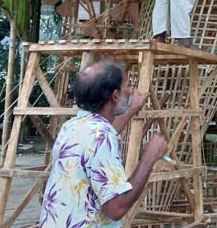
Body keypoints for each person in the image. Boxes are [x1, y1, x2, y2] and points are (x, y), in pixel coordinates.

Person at [39, 62, 167, 227]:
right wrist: (149, 157)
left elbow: (100, 139)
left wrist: (132, 108)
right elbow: (116, 208)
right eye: (128, 86)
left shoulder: (72, 126)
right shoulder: (101, 136)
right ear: (115, 96)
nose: (131, 91)